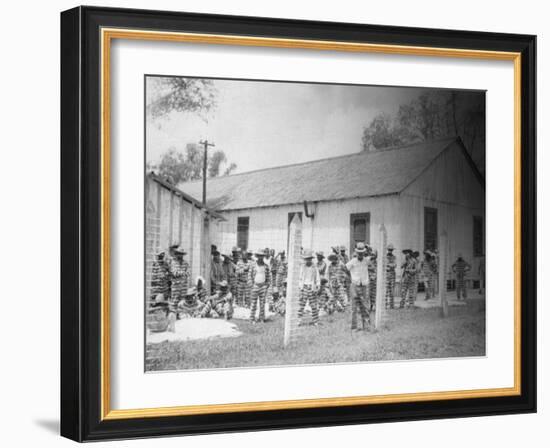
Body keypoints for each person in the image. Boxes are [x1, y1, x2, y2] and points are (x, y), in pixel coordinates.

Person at [346, 242, 370, 331]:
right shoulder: (352, 261)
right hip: (354, 286)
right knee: (354, 307)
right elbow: (345, 268)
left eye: (362, 252)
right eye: (359, 253)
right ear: (356, 253)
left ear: (364, 253)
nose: (360, 254)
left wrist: (368, 247)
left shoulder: (367, 260)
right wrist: (351, 278)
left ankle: (366, 326)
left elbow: (374, 256)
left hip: (364, 286)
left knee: (365, 306)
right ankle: (354, 327)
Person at [298, 249, 320, 325]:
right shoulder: (302, 267)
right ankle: (299, 320)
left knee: (313, 305)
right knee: (301, 304)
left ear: (311, 259)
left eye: (309, 259)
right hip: (304, 287)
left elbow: (317, 277)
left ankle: (315, 321)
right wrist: (300, 287)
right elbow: (300, 277)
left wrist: (317, 285)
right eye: (306, 259)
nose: (308, 261)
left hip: (311, 287)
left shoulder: (314, 267)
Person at [249, 249, 272, 323]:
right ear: (257, 256)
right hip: (255, 285)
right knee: (253, 304)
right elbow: (249, 275)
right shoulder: (253, 265)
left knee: (262, 304)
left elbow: (268, 276)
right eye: (259, 256)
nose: (260, 258)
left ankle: (261, 318)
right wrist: (251, 285)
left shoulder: (266, 266)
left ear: (263, 257)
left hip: (263, 286)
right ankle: (252, 318)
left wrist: (267, 285)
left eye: (262, 256)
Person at [385, 244, 397, 309]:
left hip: (392, 275)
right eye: (389, 250)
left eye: (391, 250)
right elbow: (384, 265)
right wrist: (389, 265)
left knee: (392, 291)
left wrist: (389, 265)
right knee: (386, 291)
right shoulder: (385, 257)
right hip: (386, 275)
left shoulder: (394, 257)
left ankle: (392, 306)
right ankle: (385, 305)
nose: (390, 251)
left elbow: (395, 265)